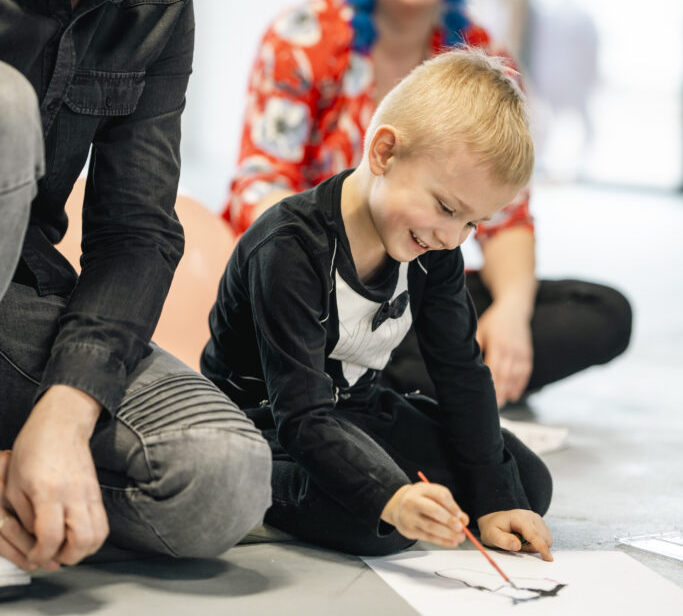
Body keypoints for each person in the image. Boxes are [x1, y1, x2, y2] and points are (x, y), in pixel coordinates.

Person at [0, 0, 278, 594]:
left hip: (22, 311)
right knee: (6, 108)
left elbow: (135, 231)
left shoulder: (159, 7)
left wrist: (66, 410)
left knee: (224, 481)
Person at [223, 0, 632, 409]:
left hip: (422, 280)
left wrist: (511, 313)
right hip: (316, 285)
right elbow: (258, 187)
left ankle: (404, 380)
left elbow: (507, 214)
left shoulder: (482, 52)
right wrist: (335, 276)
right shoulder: (303, 39)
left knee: (604, 313)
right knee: (398, 338)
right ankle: (416, 381)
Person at [202, 50, 554, 558]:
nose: (454, 238)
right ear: (385, 153)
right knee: (376, 522)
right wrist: (389, 497)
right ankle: (266, 497)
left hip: (358, 410)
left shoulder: (435, 244)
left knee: (525, 484)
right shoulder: (289, 247)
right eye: (447, 208)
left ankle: (394, 493)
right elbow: (300, 414)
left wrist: (497, 498)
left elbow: (460, 370)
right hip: (266, 425)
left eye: (472, 224)